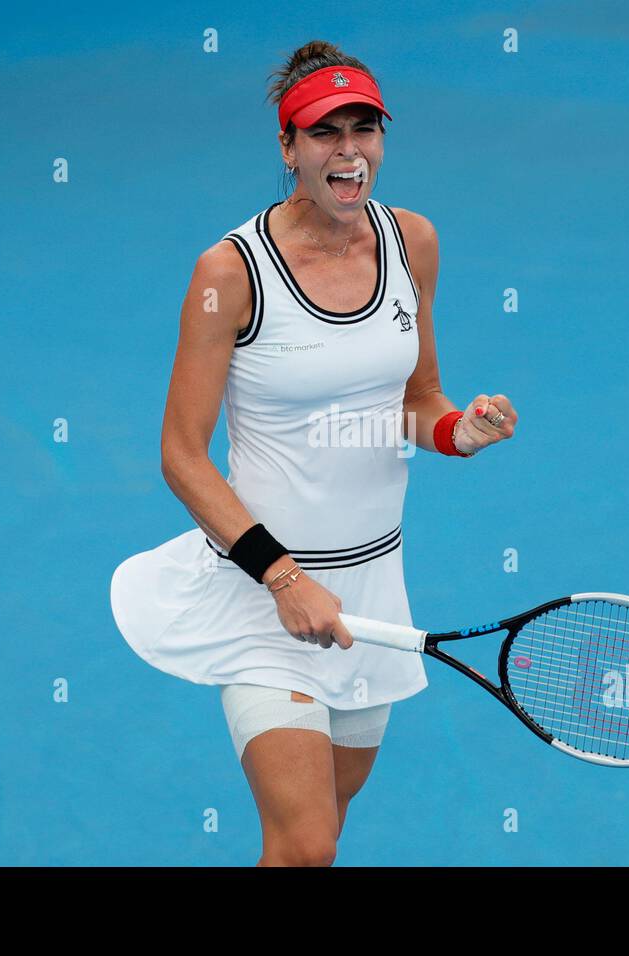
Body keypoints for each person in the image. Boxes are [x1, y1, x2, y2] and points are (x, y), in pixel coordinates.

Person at [110, 39, 518, 866]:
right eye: (323, 132)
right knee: (304, 847)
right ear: (288, 148)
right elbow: (182, 456)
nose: (348, 150)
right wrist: (283, 577)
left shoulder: (413, 243)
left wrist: (456, 431)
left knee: (327, 822)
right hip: (265, 594)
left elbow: (416, 399)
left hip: (371, 602)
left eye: (363, 128)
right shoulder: (230, 272)